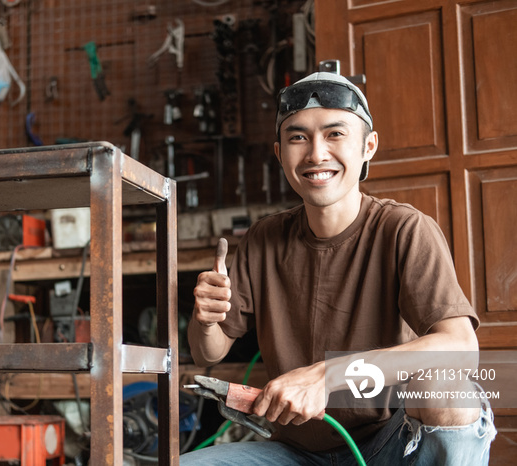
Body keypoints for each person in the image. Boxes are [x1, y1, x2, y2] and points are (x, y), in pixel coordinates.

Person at [181, 72, 496, 465]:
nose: (316, 154)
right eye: (298, 137)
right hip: (296, 453)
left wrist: (326, 375)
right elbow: (206, 354)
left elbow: (461, 349)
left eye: (334, 134)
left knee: (448, 389)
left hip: (392, 445)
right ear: (280, 153)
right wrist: (207, 319)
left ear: (368, 146)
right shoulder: (263, 239)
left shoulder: (403, 229)